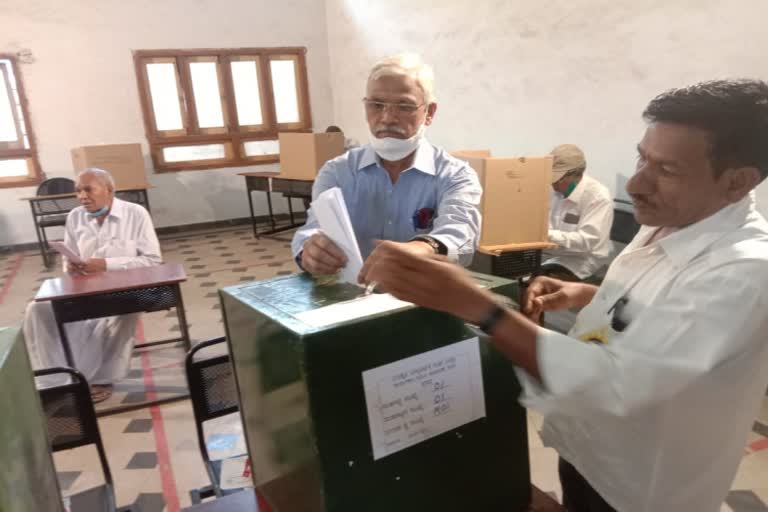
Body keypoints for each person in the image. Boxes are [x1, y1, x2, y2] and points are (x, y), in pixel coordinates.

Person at [359, 79, 768, 512]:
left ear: (737, 181)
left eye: (666, 170)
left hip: (641, 486)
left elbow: (618, 386)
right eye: (642, 158)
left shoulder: (745, 269)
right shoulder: (674, 217)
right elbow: (670, 313)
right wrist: (589, 294)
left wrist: (481, 307)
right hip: (590, 452)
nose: (635, 184)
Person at [292, 54, 482, 274]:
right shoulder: (336, 173)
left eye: (404, 106)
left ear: (429, 112)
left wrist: (424, 248)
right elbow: (314, 228)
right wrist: (310, 250)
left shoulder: (455, 175)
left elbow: (460, 232)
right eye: (376, 105)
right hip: (351, 298)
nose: (388, 118)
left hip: (424, 295)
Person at [24, 168, 162, 402]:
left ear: (109, 190)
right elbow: (69, 259)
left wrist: (107, 265)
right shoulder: (75, 217)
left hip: (126, 288)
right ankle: (57, 379)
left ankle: (97, 378)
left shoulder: (136, 214)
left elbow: (152, 260)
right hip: (86, 287)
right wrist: (72, 267)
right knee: (38, 309)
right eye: (78, 191)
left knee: (118, 317)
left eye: (88, 189)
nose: (82, 196)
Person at [541, 144, 613, 281]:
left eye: (559, 179)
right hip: (554, 255)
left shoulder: (598, 197)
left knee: (538, 285)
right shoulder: (553, 190)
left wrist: (544, 235)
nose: (553, 185)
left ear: (577, 174)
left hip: (584, 260)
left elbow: (587, 241)